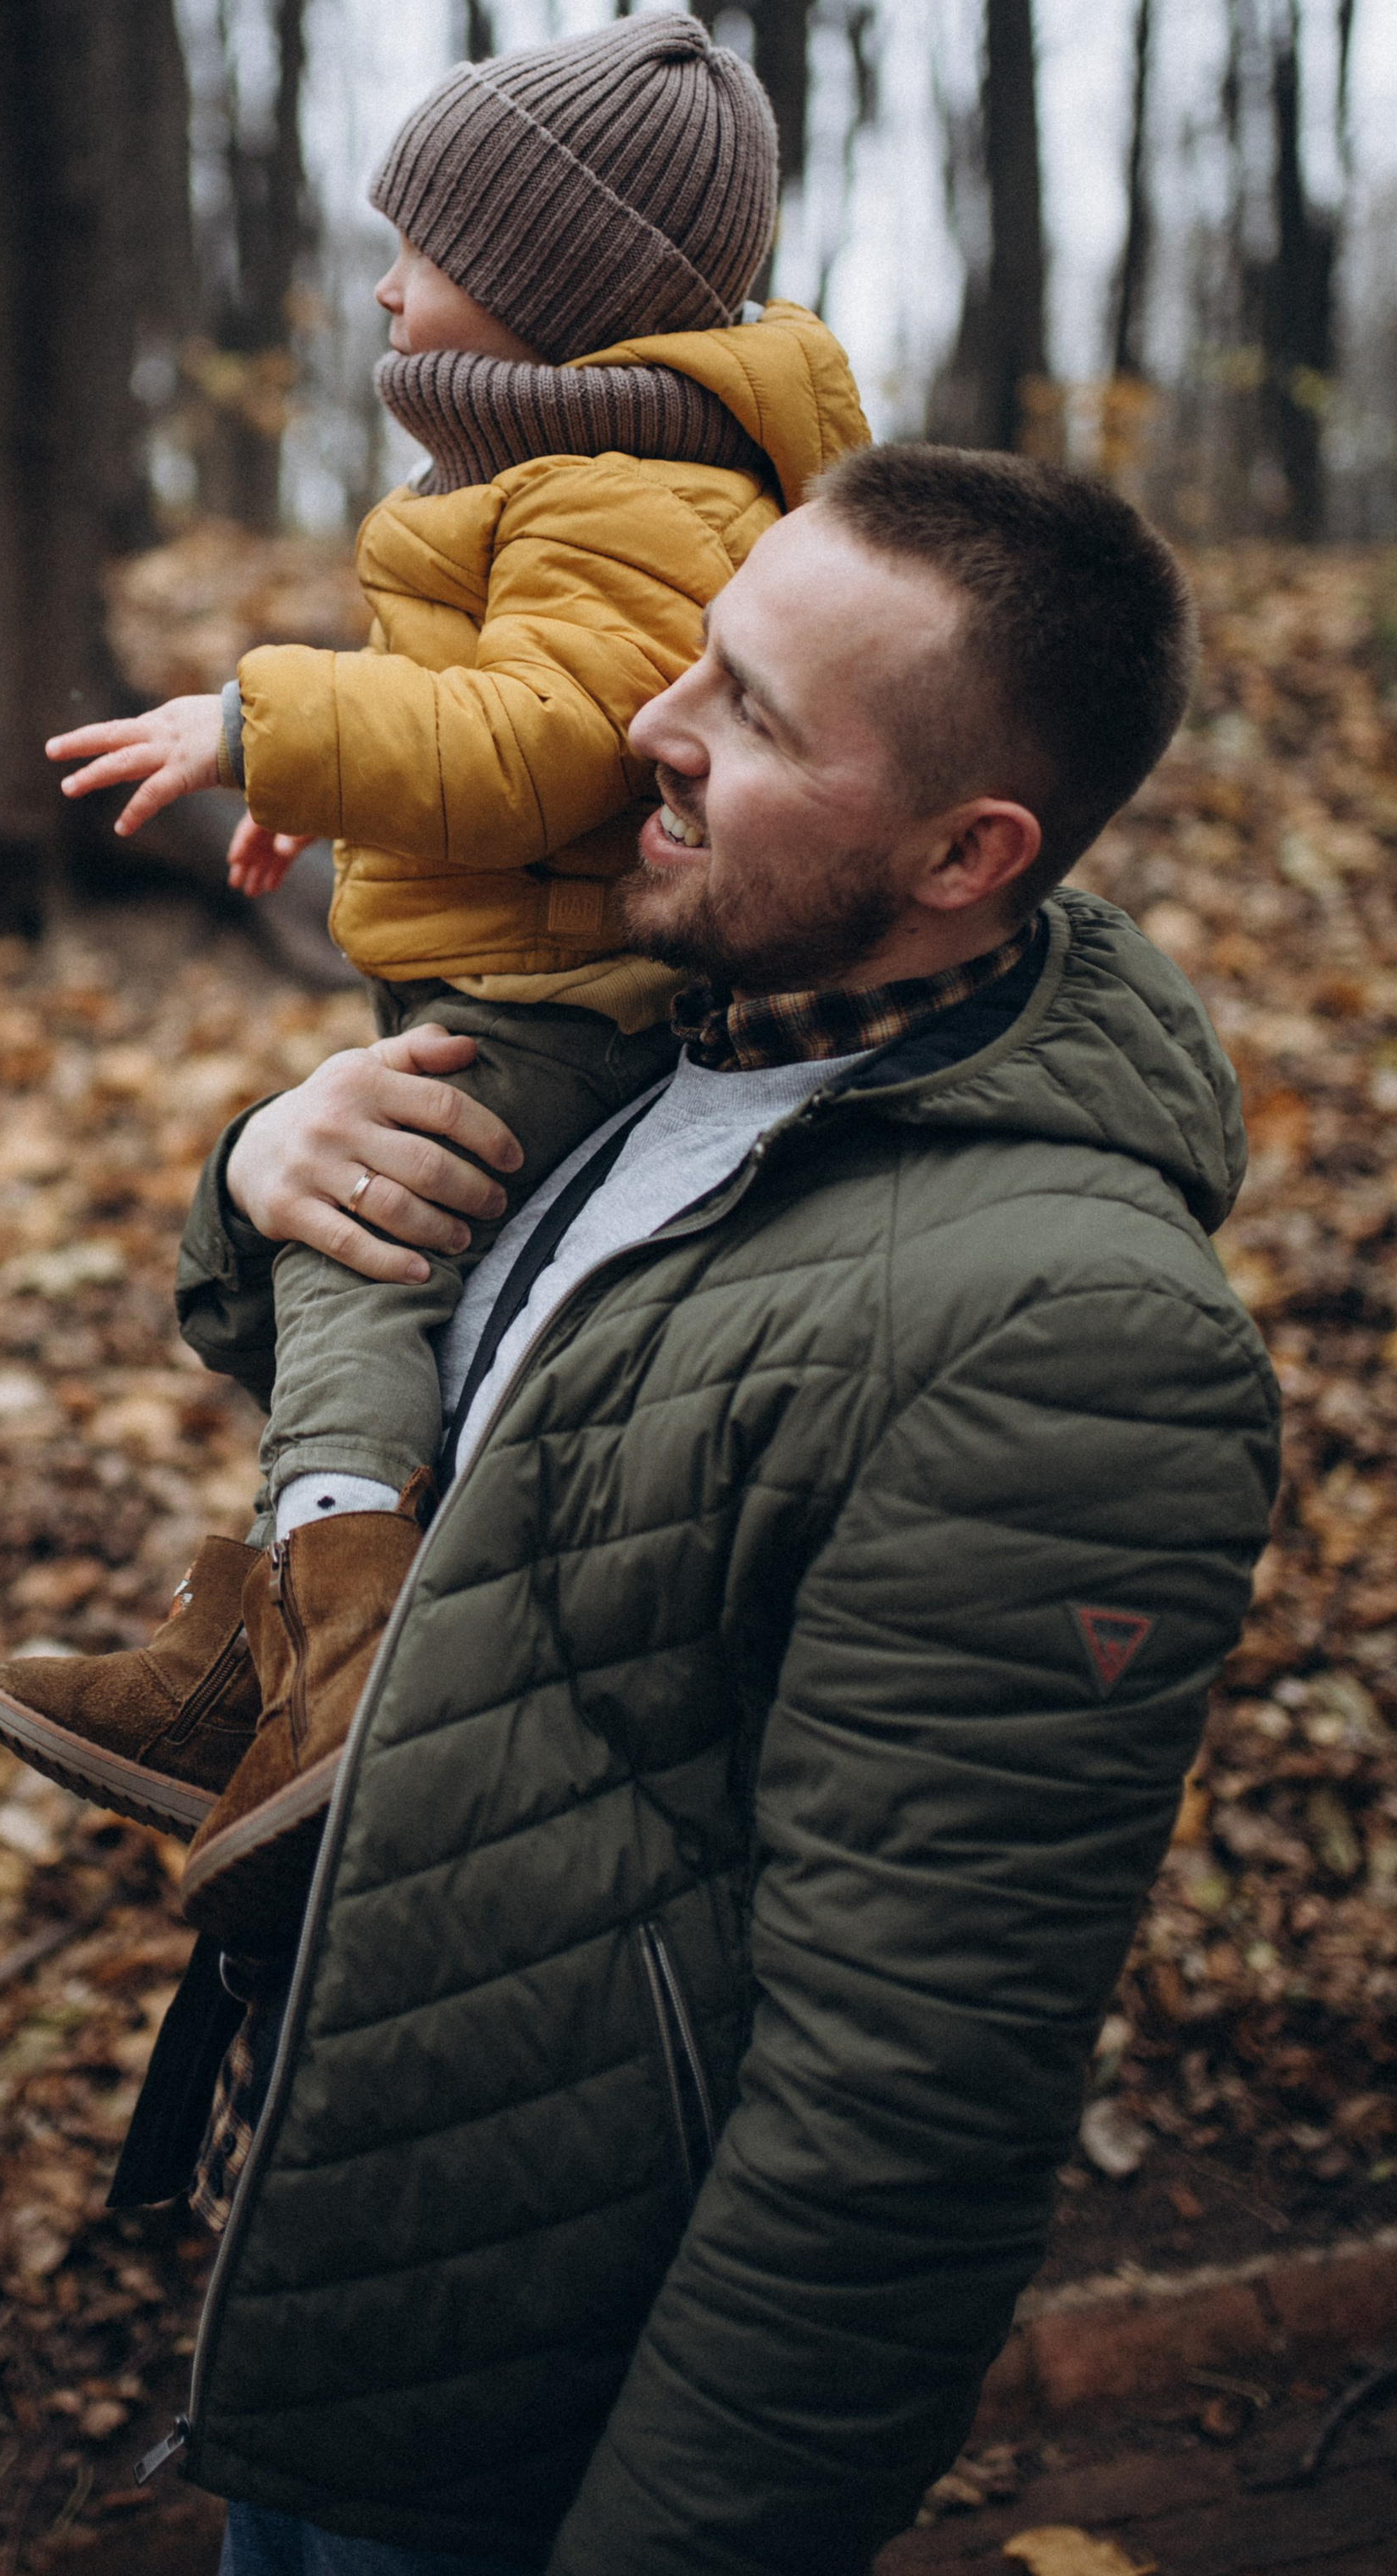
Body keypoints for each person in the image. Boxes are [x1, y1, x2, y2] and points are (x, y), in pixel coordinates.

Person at [134, 446, 1280, 2574]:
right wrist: (263, 1176)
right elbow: (523, 1469)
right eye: (697, 658)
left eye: (749, 715)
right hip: (348, 2269)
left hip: (550, 2426)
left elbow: (899, 2125)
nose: (646, 726)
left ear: (967, 849)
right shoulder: (670, 1034)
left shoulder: (1065, 1338)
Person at [0, 11, 868, 1938]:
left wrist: (263, 723)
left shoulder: (638, 489)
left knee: (360, 1245)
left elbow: (547, 738)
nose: (384, 286)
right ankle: (263, 1650)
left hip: (567, 1009)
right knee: (337, 1226)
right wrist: (351, 795)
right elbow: (481, 731)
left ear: (550, 285)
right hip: (510, 960)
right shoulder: (567, 469)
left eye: (423, 253)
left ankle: (340, 1655)